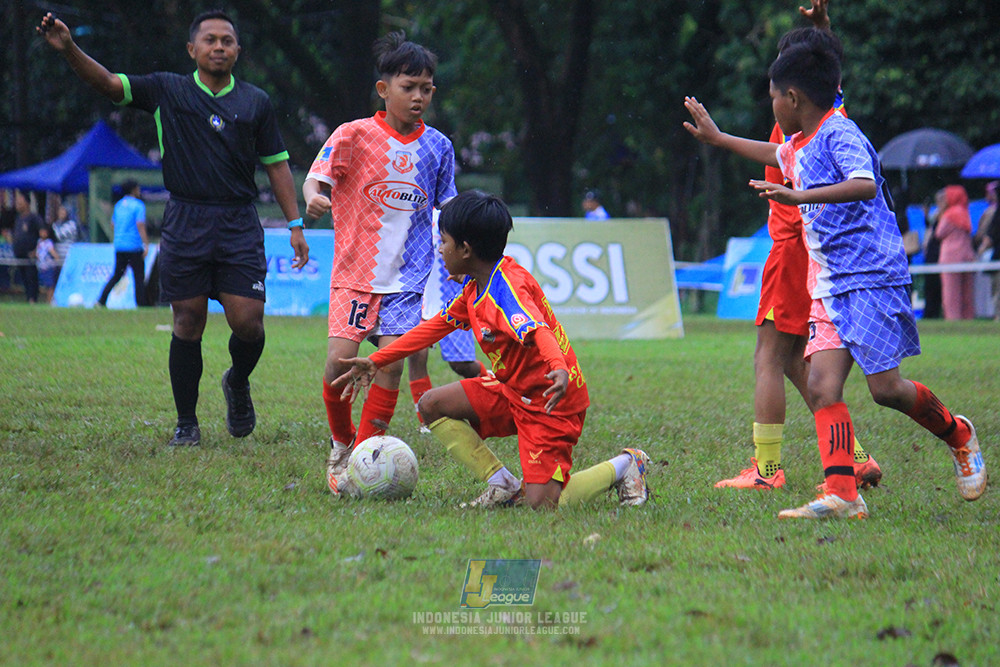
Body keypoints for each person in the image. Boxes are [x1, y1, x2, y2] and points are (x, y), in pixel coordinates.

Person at [683, 40, 986, 519]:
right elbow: (775, 150)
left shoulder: (839, 132)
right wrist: (720, 139)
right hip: (830, 284)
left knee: (886, 390)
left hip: (870, 277)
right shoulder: (800, 142)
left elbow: (864, 182)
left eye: (774, 96)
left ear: (794, 99)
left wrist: (798, 195)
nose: (773, 105)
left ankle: (958, 433)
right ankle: (844, 494)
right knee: (823, 385)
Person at [39, 10, 310, 447]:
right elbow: (109, 84)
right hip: (186, 219)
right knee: (187, 320)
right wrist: (69, 48)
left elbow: (277, 166)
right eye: (210, 40)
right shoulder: (168, 89)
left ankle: (237, 381)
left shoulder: (256, 102)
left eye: (227, 41)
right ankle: (187, 424)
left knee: (248, 322)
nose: (218, 47)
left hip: (239, 221)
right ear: (192, 49)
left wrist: (296, 224)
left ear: (238, 50)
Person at [333, 191, 652, 509]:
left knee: (542, 505)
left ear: (466, 249)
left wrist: (558, 366)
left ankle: (626, 465)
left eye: (444, 242)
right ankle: (503, 485)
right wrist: (376, 359)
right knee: (431, 405)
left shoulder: (505, 290)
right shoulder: (476, 287)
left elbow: (539, 329)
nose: (440, 249)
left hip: (551, 401)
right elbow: (434, 328)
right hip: (513, 389)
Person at [711, 0, 880, 491]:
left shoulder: (799, 122)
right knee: (793, 359)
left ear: (792, 90)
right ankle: (854, 455)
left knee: (768, 356)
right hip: (813, 254)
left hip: (792, 251)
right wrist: (823, 30)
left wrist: (720, 139)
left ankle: (767, 471)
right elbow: (829, 73)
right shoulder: (825, 116)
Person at [303, 31, 457, 488]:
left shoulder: (439, 146)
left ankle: (365, 454)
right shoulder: (353, 135)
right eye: (408, 87)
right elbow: (316, 179)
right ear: (383, 89)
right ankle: (341, 440)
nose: (418, 97)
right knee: (339, 363)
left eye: (426, 88)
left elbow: (445, 207)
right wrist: (314, 199)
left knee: (390, 363)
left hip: (409, 278)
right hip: (355, 274)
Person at [406, 208, 487, 432]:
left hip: (450, 295)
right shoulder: (407, 212)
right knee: (416, 353)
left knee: (461, 364)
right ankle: (426, 423)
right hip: (418, 295)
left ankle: (490, 383)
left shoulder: (450, 215)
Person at [97, 180, 149, 308]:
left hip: (120, 245)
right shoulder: (138, 205)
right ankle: (141, 304)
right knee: (138, 276)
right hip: (134, 246)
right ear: (133, 190)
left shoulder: (119, 205)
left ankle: (101, 300)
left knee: (117, 275)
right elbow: (140, 224)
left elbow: (113, 225)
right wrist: (146, 243)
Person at [934, 185, 976, 320]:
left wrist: (940, 214)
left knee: (951, 293)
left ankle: (953, 319)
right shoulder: (964, 212)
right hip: (967, 255)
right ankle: (968, 318)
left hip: (950, 257)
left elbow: (939, 233)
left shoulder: (949, 214)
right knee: (967, 292)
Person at [12, 190, 42, 303]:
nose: (18, 203)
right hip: (19, 254)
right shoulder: (18, 218)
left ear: (27, 203)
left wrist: (36, 250)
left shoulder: (34, 217)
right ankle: (28, 298)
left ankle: (33, 299)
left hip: (30, 255)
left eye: (20, 201)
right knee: (23, 278)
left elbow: (43, 234)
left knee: (31, 277)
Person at [51, 204, 79, 281]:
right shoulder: (56, 224)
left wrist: (53, 228)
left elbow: (59, 235)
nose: (61, 213)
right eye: (60, 211)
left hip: (68, 257)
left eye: (63, 211)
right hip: (58, 259)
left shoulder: (71, 224)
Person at [35, 225, 60, 303]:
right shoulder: (39, 241)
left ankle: (50, 300)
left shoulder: (48, 242)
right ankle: (47, 299)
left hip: (48, 266)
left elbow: (53, 252)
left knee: (50, 285)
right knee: (44, 285)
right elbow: (37, 252)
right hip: (41, 267)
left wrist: (57, 258)